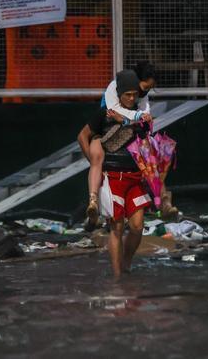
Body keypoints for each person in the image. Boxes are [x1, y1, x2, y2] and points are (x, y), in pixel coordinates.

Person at [84, 62, 178, 230]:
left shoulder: (140, 98)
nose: (139, 95)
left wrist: (143, 121)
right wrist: (91, 160)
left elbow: (143, 116)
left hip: (127, 139)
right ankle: (93, 204)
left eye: (146, 90)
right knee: (97, 161)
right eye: (142, 88)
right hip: (108, 135)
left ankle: (164, 201)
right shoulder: (114, 94)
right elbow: (113, 117)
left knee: (151, 160)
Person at [77, 70, 152, 278]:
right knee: (117, 228)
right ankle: (118, 277)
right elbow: (83, 136)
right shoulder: (104, 113)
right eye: (127, 94)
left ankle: (126, 263)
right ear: (118, 94)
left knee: (137, 227)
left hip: (135, 177)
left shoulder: (139, 115)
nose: (131, 98)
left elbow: (145, 140)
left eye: (134, 95)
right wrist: (93, 162)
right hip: (113, 179)